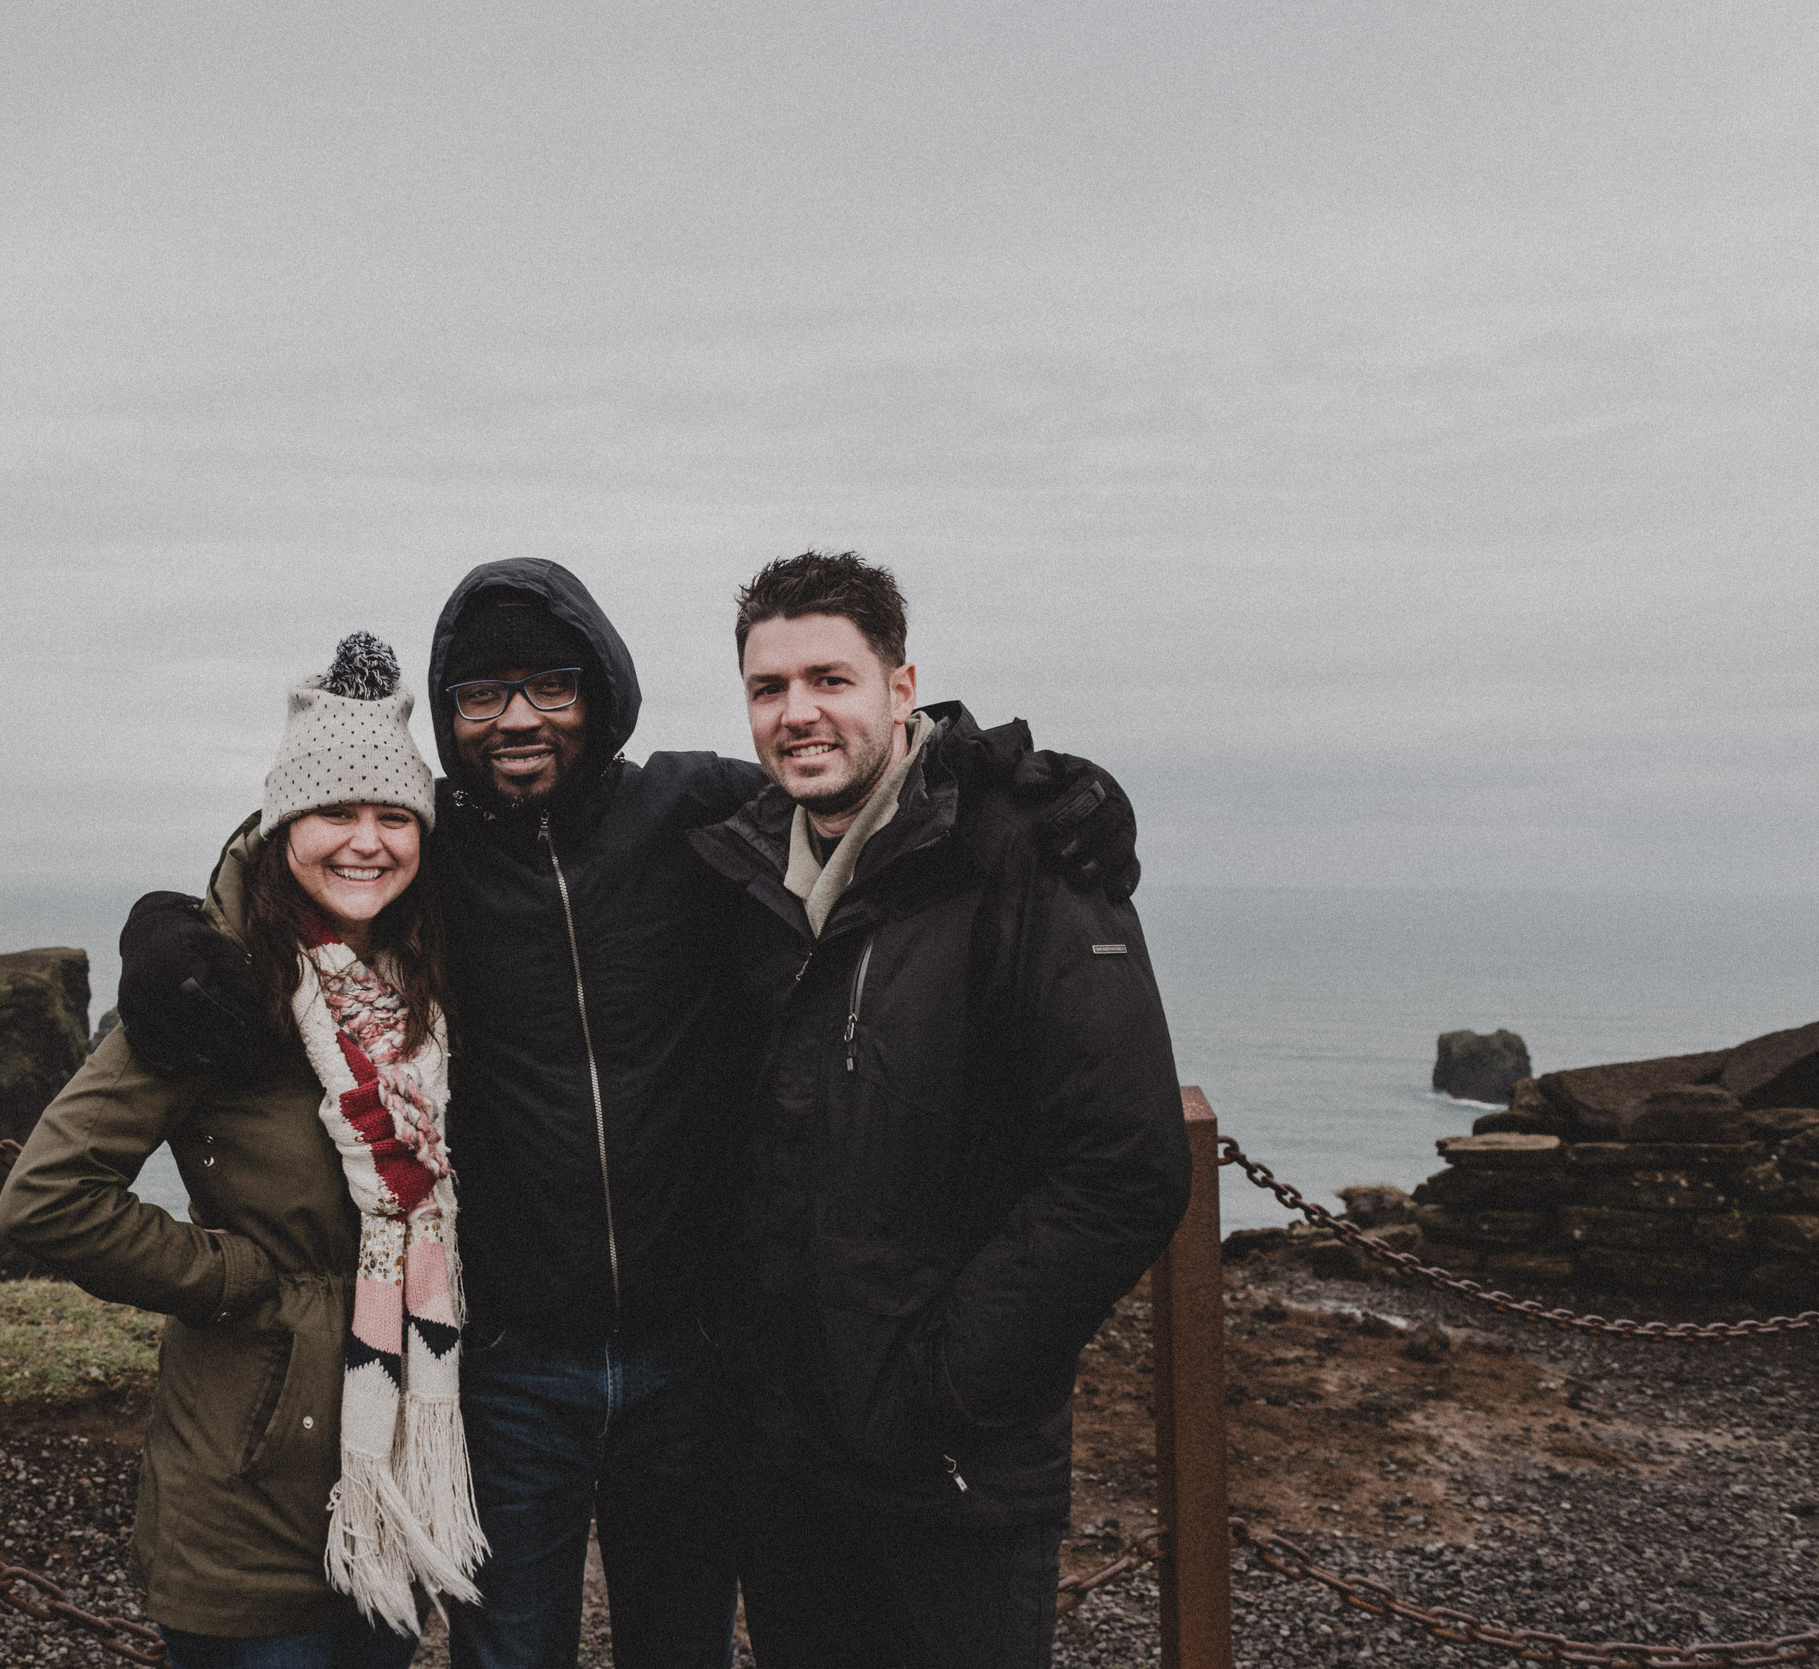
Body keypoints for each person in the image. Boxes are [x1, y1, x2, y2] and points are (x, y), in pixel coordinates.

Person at [114, 560, 1143, 1669]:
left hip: (693, 1355)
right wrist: (165, 919)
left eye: (550, 685)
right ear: (449, 717)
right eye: (478, 693)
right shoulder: (432, 857)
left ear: (601, 691)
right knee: (510, 1652)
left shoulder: (695, 812)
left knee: (682, 1644)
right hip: (509, 1358)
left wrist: (1042, 783)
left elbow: (878, 793)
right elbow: (303, 839)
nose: (516, 718)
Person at [687, 553, 1190, 1669]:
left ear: (901, 688)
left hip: (954, 1466)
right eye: (768, 688)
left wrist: (943, 1384)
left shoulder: (1032, 856)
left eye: (830, 677)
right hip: (791, 1460)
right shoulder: (745, 878)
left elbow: (1126, 1167)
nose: (797, 712)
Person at [0, 632, 482, 1669]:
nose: (366, 841)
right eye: (333, 812)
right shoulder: (214, 986)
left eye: (393, 815)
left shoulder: (419, 982)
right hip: (247, 1484)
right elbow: (48, 1194)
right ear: (279, 826)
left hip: (395, 1464)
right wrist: (246, 1283)